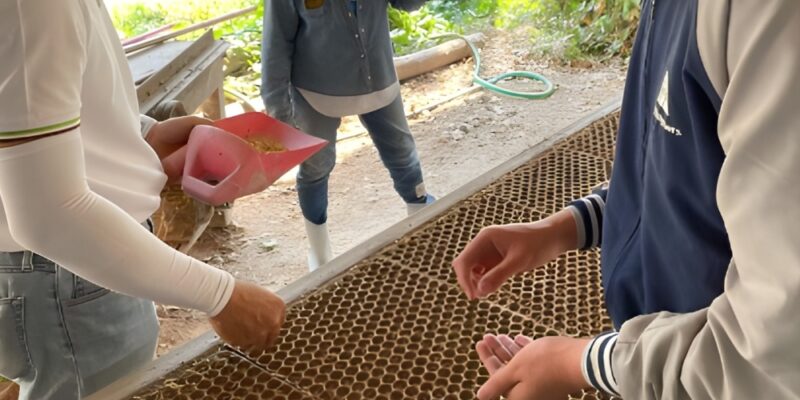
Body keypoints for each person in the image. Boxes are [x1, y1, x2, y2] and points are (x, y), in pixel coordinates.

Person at [452, 1, 799, 399]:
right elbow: (679, 168)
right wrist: (565, 227)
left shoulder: (768, 17)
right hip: (668, 366)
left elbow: (773, 354)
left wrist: (578, 363)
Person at [0, 2, 286, 399]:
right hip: (72, 272)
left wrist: (140, 138)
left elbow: (23, 110)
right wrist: (221, 295)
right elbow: (50, 214)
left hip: (63, 272)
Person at [263, 0, 436, 271]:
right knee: (316, 166)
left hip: (377, 79)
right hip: (316, 91)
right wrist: (280, 114)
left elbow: (408, 4)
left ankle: (421, 214)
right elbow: (276, 44)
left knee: (401, 152)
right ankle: (320, 254)